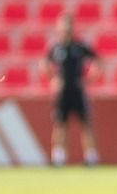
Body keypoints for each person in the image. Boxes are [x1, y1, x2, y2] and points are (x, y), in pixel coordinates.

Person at [43, 12, 101, 166]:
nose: (66, 29)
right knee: (60, 124)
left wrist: (88, 80)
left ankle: (91, 158)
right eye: (63, 26)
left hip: (77, 90)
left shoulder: (79, 46)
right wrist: (53, 79)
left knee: (85, 124)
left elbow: (97, 60)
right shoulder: (55, 48)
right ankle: (58, 158)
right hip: (62, 92)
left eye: (68, 26)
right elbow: (45, 64)